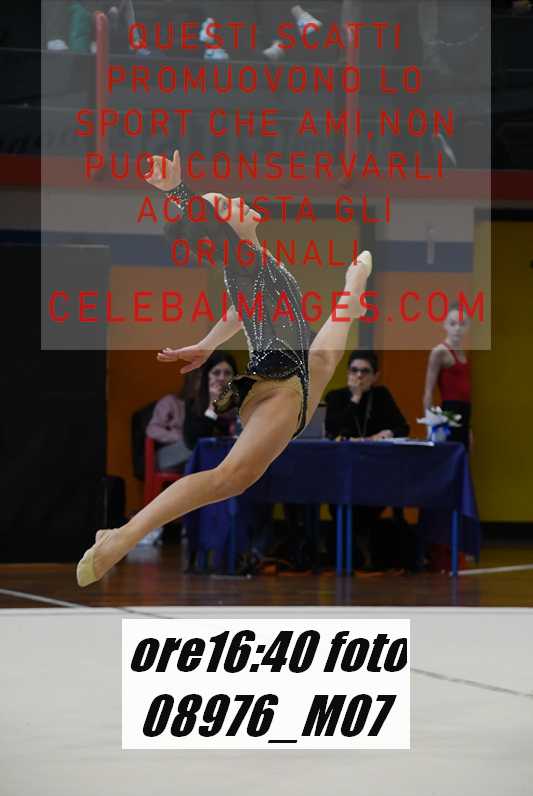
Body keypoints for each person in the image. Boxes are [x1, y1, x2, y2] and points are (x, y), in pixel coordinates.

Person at [76, 148, 373, 586]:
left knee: (325, 357)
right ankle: (121, 536)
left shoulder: (254, 263)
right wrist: (177, 190)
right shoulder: (242, 259)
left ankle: (353, 291)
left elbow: (237, 313)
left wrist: (205, 344)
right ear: (221, 230)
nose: (236, 200)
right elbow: (206, 227)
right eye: (225, 204)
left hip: (297, 376)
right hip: (278, 380)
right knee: (228, 479)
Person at [324, 350, 410, 569]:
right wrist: (355, 399)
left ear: (375, 376)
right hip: (342, 472)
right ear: (347, 373)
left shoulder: (382, 396)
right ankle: (350, 552)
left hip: (375, 471)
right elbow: (333, 430)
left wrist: (388, 432)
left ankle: (368, 550)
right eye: (354, 370)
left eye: (365, 371)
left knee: (372, 504)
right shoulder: (336, 397)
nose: (359, 376)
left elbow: (402, 427)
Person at [422, 304, 472, 450]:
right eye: (453, 324)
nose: (457, 328)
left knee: (464, 456)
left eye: (462, 324)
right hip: (450, 413)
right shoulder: (439, 352)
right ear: (445, 325)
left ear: (467, 327)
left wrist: (468, 428)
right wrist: (430, 427)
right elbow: (428, 392)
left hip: (464, 413)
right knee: (451, 457)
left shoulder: (463, 352)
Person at [182, 351, 239, 450]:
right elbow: (193, 443)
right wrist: (213, 404)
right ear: (206, 377)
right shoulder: (194, 404)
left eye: (227, 373)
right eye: (216, 373)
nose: (222, 378)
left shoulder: (243, 402)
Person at [146, 372, 199, 472]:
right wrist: (178, 436)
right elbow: (152, 430)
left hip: (192, 459)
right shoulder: (171, 402)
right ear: (189, 382)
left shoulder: (205, 408)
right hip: (168, 456)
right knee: (194, 446)